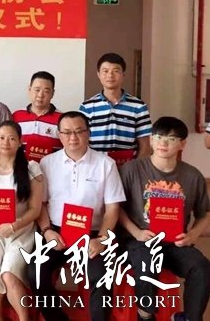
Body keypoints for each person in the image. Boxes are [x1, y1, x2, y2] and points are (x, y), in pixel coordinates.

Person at [29, 111, 125, 321]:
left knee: (101, 276)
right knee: (35, 271)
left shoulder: (105, 164)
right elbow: (41, 204)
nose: (73, 137)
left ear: (88, 133)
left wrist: (102, 239)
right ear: (59, 135)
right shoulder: (47, 163)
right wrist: (47, 231)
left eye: (79, 131)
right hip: (56, 232)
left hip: (93, 234)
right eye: (67, 132)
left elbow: (112, 208)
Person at [119, 116, 210, 321]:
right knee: (146, 265)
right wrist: (137, 232)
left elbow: (204, 214)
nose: (163, 143)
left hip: (175, 243)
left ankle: (188, 318)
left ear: (182, 144)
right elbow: (117, 209)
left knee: (202, 267)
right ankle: (145, 316)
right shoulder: (132, 170)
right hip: (139, 240)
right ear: (151, 140)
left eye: (171, 138)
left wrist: (192, 235)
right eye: (159, 137)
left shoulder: (192, 176)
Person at [0, 121, 44, 321]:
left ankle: (24, 319)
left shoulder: (32, 168)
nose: (6, 142)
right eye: (1, 138)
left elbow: (36, 209)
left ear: (20, 141)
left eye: (12, 138)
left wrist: (14, 226)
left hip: (21, 231)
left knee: (8, 272)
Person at [80, 53, 152, 160]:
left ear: (123, 74)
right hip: (96, 166)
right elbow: (81, 141)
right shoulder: (87, 107)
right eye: (105, 71)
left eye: (116, 71)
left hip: (128, 165)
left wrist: (135, 167)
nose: (110, 75)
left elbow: (145, 145)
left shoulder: (138, 106)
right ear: (98, 74)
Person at [12, 71, 62, 162]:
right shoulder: (16, 116)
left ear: (52, 93)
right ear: (29, 89)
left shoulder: (62, 119)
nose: (40, 95)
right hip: (21, 168)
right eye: (37, 90)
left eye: (46, 91)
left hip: (51, 169)